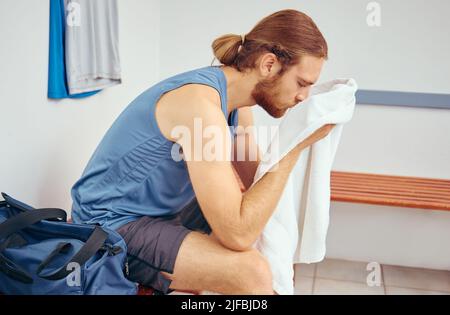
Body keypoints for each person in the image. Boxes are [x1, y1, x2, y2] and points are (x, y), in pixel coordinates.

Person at [71, 9, 332, 295]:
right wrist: (293, 148)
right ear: (269, 64)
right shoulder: (200, 105)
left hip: (161, 213)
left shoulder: (237, 104)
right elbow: (239, 234)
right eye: (302, 83)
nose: (302, 97)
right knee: (251, 273)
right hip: (109, 224)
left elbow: (257, 182)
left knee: (261, 227)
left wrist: (295, 141)